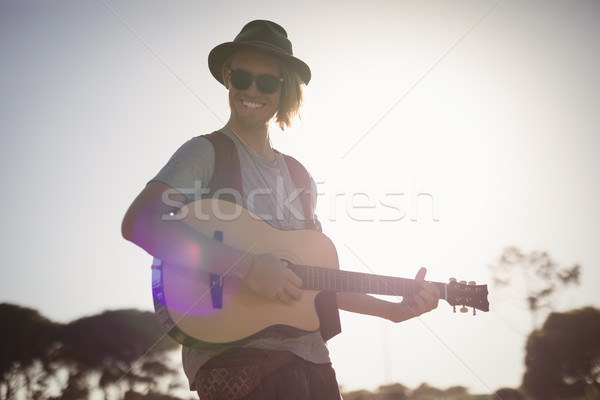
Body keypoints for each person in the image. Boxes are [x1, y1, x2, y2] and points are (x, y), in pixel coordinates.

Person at [122, 20, 440, 400]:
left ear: (284, 88)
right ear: (227, 78)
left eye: (267, 82)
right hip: (237, 366)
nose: (252, 90)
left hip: (314, 365)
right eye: (242, 77)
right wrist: (249, 268)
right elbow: (139, 222)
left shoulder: (299, 176)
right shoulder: (206, 152)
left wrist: (394, 310)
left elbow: (319, 283)